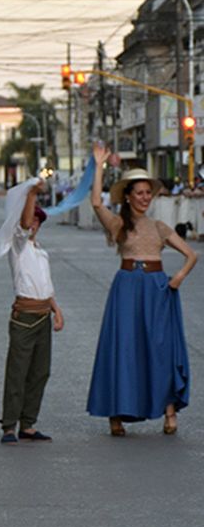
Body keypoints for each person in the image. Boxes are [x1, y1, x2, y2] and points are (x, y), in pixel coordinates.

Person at [88, 146, 196, 436]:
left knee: (160, 348)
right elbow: (97, 202)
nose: (145, 198)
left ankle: (169, 410)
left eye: (148, 193)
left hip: (157, 288)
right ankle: (116, 414)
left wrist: (179, 277)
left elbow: (191, 254)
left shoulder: (159, 226)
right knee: (123, 348)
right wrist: (98, 166)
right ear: (128, 195)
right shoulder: (119, 223)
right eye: (139, 193)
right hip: (126, 287)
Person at [0, 181, 64, 444]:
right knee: (18, 370)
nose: (33, 224)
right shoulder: (18, 245)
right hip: (24, 316)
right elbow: (23, 225)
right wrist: (32, 194)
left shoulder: (41, 252)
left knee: (40, 371)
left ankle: (28, 423)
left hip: (43, 314)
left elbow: (47, 288)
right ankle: (9, 426)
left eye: (38, 220)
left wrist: (57, 311)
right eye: (31, 219)